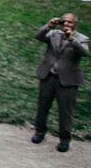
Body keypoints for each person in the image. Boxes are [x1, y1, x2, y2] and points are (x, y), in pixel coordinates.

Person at [32, 13, 87, 153]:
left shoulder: (81, 38)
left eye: (70, 22)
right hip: (48, 76)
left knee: (65, 111)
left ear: (75, 24)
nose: (66, 25)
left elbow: (85, 53)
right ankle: (39, 131)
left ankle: (64, 139)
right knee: (43, 106)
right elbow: (38, 36)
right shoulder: (53, 33)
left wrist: (72, 39)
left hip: (68, 80)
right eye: (64, 22)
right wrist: (48, 26)